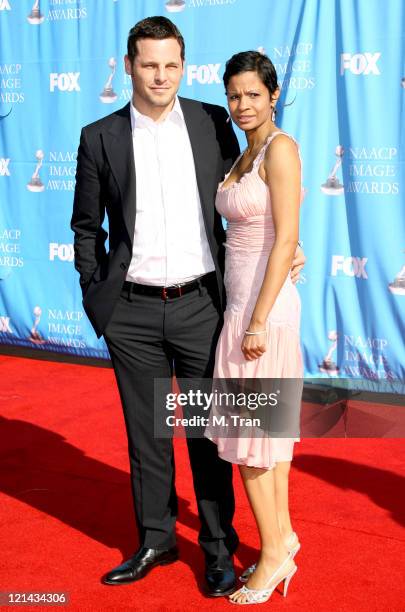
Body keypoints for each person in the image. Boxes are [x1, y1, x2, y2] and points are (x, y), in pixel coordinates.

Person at [71, 17, 305, 597]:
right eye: (149, 64)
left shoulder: (210, 121)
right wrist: (97, 295)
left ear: (183, 66)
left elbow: (257, 192)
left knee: (207, 433)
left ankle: (219, 549)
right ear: (128, 66)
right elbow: (85, 228)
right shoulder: (99, 135)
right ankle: (155, 538)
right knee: (146, 434)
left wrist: (293, 243)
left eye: (171, 64)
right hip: (132, 312)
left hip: (203, 304)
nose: (160, 75)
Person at [205, 51, 303, 605]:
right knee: (261, 445)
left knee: (251, 449)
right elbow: (274, 231)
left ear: (272, 94)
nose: (243, 105)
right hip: (240, 309)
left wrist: (260, 320)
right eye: (234, 95)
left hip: (262, 316)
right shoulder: (246, 153)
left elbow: (286, 237)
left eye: (253, 95)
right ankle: (282, 538)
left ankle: (271, 555)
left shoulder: (280, 148)